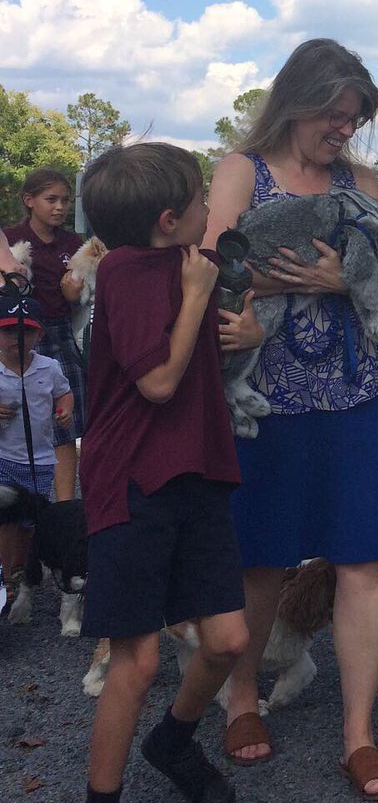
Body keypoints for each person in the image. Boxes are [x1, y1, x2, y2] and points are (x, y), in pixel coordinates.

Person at [205, 38, 378, 800]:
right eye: (335, 116)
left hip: (356, 392)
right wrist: (253, 309)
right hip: (269, 403)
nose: (345, 132)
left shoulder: (362, 181)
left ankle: (358, 735)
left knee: (364, 561)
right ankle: (240, 700)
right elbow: (209, 271)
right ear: (297, 101)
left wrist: (341, 279)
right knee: (261, 560)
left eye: (354, 119)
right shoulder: (241, 173)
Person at [78, 142, 263, 803]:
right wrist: (193, 300)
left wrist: (253, 329)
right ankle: (103, 795)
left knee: (228, 640)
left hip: (198, 475)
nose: (209, 207)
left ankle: (173, 743)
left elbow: (248, 288)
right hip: (133, 481)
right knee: (137, 659)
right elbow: (157, 382)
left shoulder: (198, 264)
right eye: (198, 200)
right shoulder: (128, 272)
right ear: (167, 219)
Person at [5, 169, 87, 502]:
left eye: (65, 200)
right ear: (29, 200)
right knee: (16, 416)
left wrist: (75, 293)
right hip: (16, 333)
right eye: (51, 199)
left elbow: (84, 296)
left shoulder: (74, 243)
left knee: (65, 421)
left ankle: (64, 509)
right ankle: (21, 505)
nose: (59, 207)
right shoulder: (11, 239)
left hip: (59, 332)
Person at [0, 295, 74, 620]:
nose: (17, 339)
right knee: (5, 519)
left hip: (40, 460)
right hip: (3, 457)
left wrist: (66, 409)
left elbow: (64, 392)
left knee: (30, 520)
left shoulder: (50, 367)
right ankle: (7, 574)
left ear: (39, 335)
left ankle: (23, 567)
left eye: (26, 332)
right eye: (7, 331)